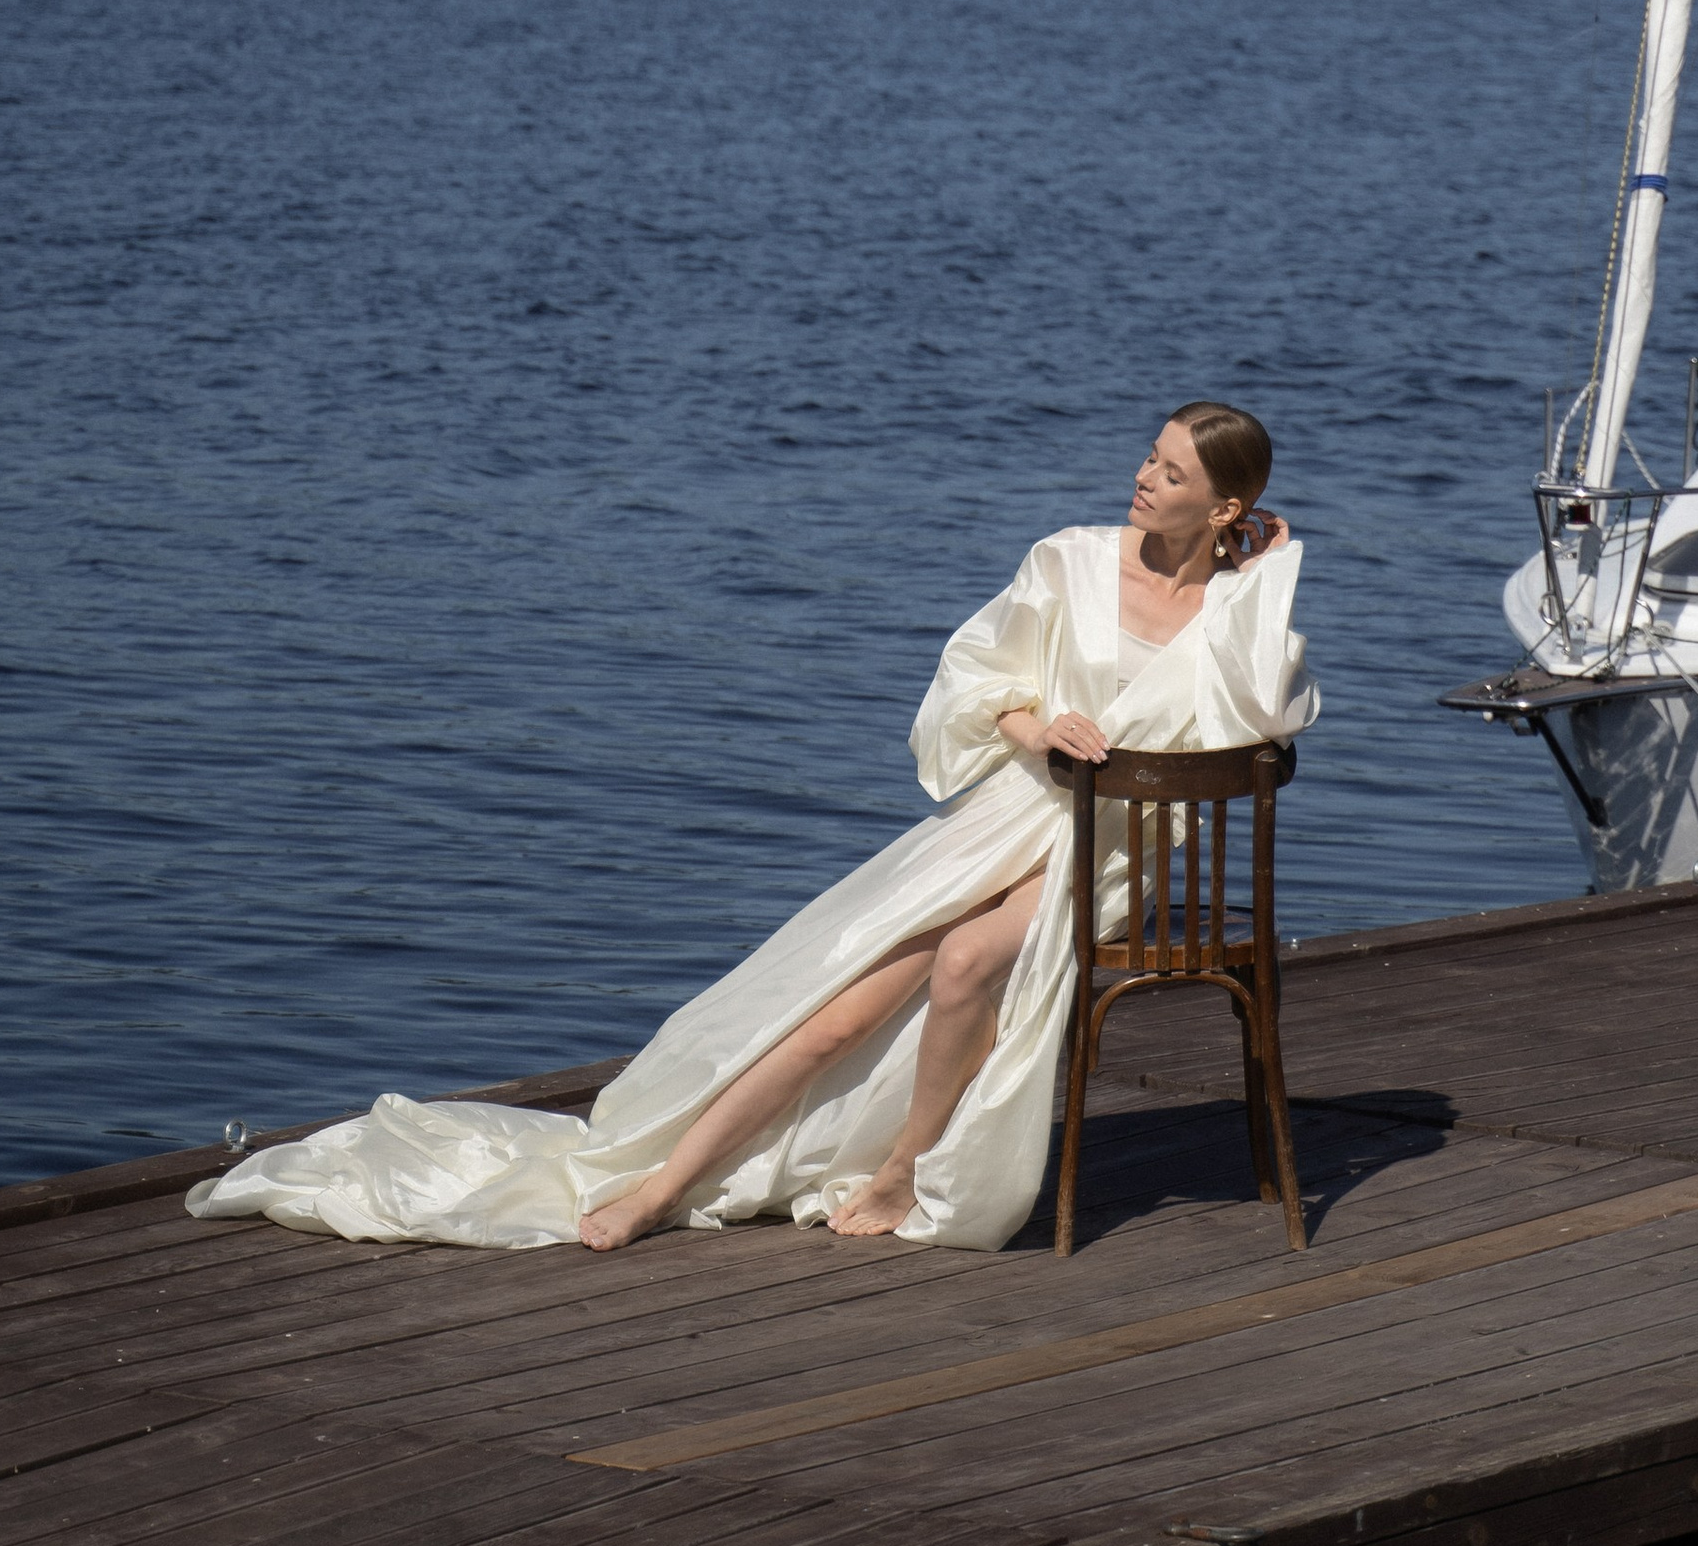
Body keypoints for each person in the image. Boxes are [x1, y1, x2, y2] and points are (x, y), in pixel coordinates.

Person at [186, 400, 1314, 1255]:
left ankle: (905, 1170)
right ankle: (662, 1186)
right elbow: (980, 689)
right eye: (1147, 457)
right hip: (1020, 811)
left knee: (970, 956)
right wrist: (1038, 730)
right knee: (836, 1002)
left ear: (1220, 508)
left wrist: (1263, 570)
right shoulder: (1066, 562)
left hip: (1121, 849)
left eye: (1168, 474)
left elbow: (1268, 719)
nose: (1139, 478)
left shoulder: (1233, 605)